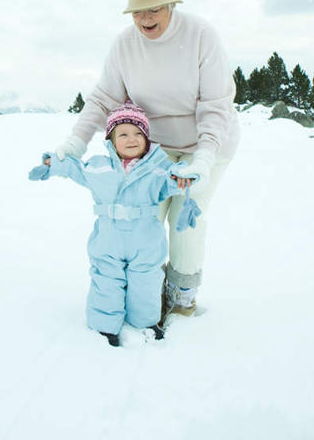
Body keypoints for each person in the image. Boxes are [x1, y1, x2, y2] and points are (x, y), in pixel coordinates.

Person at [54, 0, 239, 319]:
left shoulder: (201, 36)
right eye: (138, 11)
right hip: (153, 149)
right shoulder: (125, 46)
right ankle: (144, 286)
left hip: (207, 143)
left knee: (187, 215)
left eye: (154, 8)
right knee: (143, 215)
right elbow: (103, 98)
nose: (145, 18)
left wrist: (202, 159)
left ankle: (183, 296)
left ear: (172, 4)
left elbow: (216, 106)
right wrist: (76, 142)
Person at [29, 103, 201, 347]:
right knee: (106, 278)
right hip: (108, 238)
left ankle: (146, 322)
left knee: (146, 279)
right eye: (123, 134)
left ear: (147, 138)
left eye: (138, 133)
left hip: (145, 239)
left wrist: (182, 176)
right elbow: (76, 168)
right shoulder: (99, 166)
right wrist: (53, 164)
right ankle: (104, 326)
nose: (132, 139)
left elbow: (174, 175)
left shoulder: (156, 167)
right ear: (110, 139)